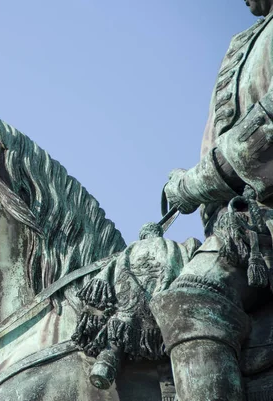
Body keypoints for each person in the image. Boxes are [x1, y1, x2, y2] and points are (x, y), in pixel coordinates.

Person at [150, 1, 273, 400]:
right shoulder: (243, 43)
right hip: (249, 227)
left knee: (191, 300)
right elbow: (218, 144)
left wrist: (193, 184)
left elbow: (266, 131)